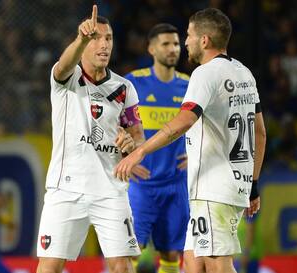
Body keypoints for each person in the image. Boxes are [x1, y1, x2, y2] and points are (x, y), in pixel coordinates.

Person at [114, 8, 266, 273]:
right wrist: (253, 184)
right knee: (192, 260)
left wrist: (140, 152)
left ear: (204, 40)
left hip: (213, 187)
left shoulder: (204, 74)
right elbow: (260, 133)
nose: (185, 43)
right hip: (230, 184)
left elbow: (181, 123)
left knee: (218, 263)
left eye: (188, 35)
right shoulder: (244, 73)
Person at [36, 5, 145, 273]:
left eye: (108, 38)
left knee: (122, 265)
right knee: (49, 265)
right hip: (66, 188)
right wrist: (81, 39)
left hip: (110, 188)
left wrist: (132, 146)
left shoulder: (124, 87)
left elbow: (138, 136)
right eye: (96, 38)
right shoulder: (67, 79)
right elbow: (62, 66)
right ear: (84, 42)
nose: (104, 44)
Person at [125, 23, 189, 273]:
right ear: (151, 48)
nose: (173, 49)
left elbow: (209, 127)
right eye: (166, 44)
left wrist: (196, 156)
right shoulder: (133, 83)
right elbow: (110, 121)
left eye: (176, 44)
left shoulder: (189, 85)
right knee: (131, 251)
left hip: (176, 184)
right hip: (141, 185)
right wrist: (123, 158)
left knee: (172, 254)